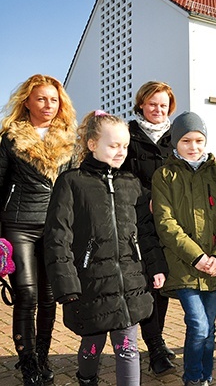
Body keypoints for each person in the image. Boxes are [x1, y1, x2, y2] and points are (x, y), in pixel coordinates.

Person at [44, 111, 165, 386]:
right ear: (91, 145)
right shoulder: (71, 183)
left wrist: (156, 266)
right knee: (92, 346)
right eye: (113, 145)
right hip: (90, 284)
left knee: (127, 349)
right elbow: (57, 236)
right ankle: (87, 379)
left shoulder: (132, 184)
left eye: (124, 146)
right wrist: (66, 285)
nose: (121, 152)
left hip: (130, 283)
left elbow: (145, 232)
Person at [152, 112, 216, 386]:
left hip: (215, 266)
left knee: (210, 327)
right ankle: (192, 378)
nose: (193, 146)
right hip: (184, 266)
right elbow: (166, 223)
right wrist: (197, 257)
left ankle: (206, 377)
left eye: (199, 140)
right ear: (175, 143)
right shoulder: (164, 176)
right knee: (198, 324)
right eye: (186, 140)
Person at [0, 74, 76, 386]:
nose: (48, 105)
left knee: (47, 297)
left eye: (54, 99)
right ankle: (27, 361)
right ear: (27, 101)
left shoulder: (70, 140)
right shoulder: (10, 138)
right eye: (41, 98)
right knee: (26, 295)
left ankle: (42, 358)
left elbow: (71, 190)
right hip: (18, 223)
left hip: (54, 228)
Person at [120, 81, 176, 375]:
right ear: (141, 104)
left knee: (162, 284)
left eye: (163, 105)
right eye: (152, 104)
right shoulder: (127, 135)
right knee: (145, 283)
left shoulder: (175, 137)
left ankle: (158, 341)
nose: (158, 109)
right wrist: (147, 199)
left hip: (167, 221)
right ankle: (154, 346)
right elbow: (119, 175)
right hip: (135, 220)